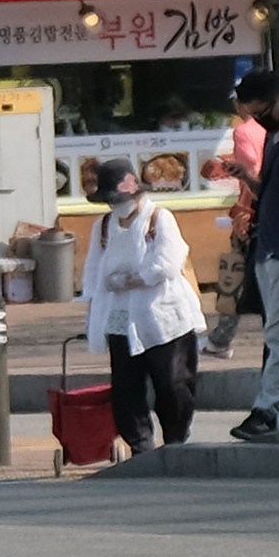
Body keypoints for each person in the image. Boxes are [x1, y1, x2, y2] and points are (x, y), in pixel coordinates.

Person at [84, 167, 205, 455]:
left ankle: (176, 440)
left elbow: (169, 261)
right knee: (126, 388)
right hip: (121, 317)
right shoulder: (103, 226)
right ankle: (141, 446)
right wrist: (99, 294)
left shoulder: (159, 218)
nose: (118, 207)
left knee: (173, 383)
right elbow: (93, 269)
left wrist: (135, 279)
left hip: (163, 316)